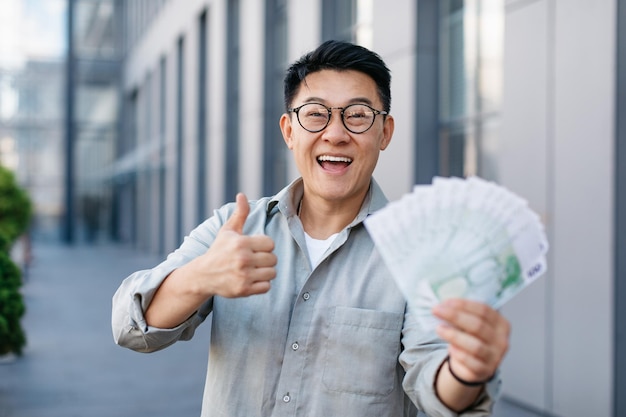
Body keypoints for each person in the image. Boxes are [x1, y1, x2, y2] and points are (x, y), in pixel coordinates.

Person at [112, 40, 510, 417]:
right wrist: (200, 276)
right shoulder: (233, 230)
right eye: (316, 113)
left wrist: (467, 368)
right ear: (289, 130)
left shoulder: (421, 253)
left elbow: (437, 385)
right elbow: (132, 329)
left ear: (384, 132)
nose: (335, 134)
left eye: (357, 115)